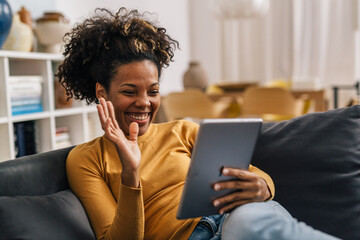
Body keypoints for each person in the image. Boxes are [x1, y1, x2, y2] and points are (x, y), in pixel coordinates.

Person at [57, 7, 339, 240]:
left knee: (252, 224)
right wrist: (130, 173)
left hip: (242, 218)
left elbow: (253, 174)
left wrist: (264, 187)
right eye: (130, 92)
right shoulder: (86, 159)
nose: (144, 103)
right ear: (101, 92)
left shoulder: (183, 130)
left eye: (153, 91)